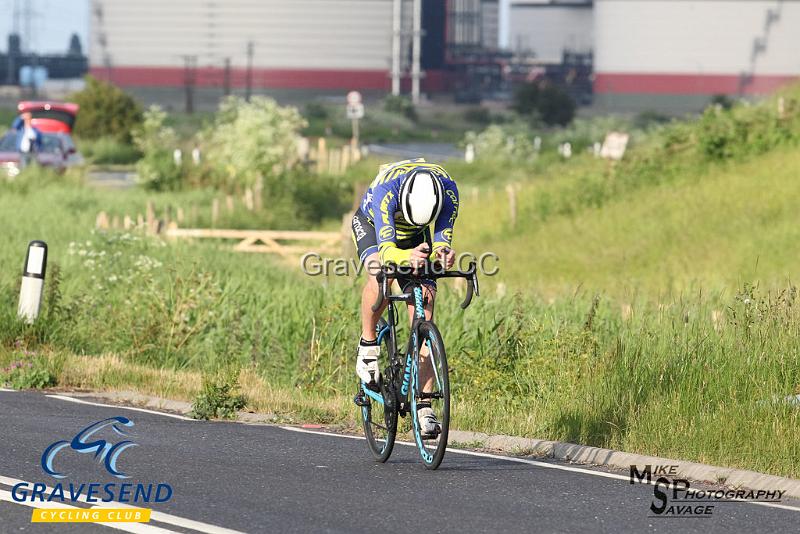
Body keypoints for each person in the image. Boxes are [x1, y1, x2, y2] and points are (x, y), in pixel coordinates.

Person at [351, 158, 459, 437]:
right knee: (381, 274)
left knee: (425, 301)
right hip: (374, 227)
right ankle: (368, 345)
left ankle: (424, 405)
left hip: (415, 234)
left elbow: (442, 239)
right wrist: (404, 257)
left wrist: (443, 253)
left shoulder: (448, 191)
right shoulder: (387, 192)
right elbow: (387, 251)